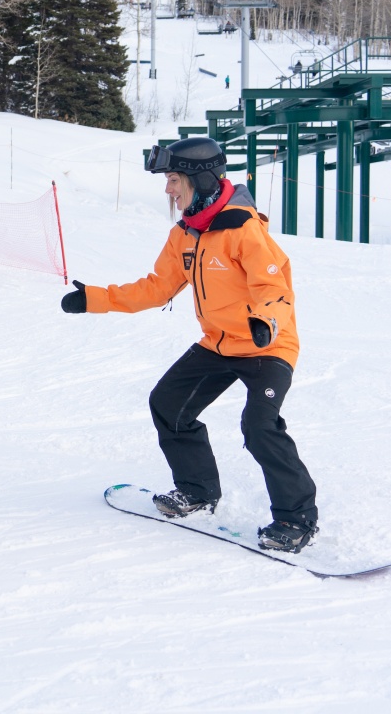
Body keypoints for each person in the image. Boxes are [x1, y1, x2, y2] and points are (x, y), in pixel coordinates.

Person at [60, 137, 319, 553]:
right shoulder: (186, 234)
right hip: (218, 345)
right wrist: (94, 299)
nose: (168, 190)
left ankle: (296, 518)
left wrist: (265, 322)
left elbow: (274, 287)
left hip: (266, 345)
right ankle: (198, 491)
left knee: (259, 427)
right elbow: (156, 288)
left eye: (174, 179)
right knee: (168, 404)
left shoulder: (243, 230)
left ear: (200, 178)